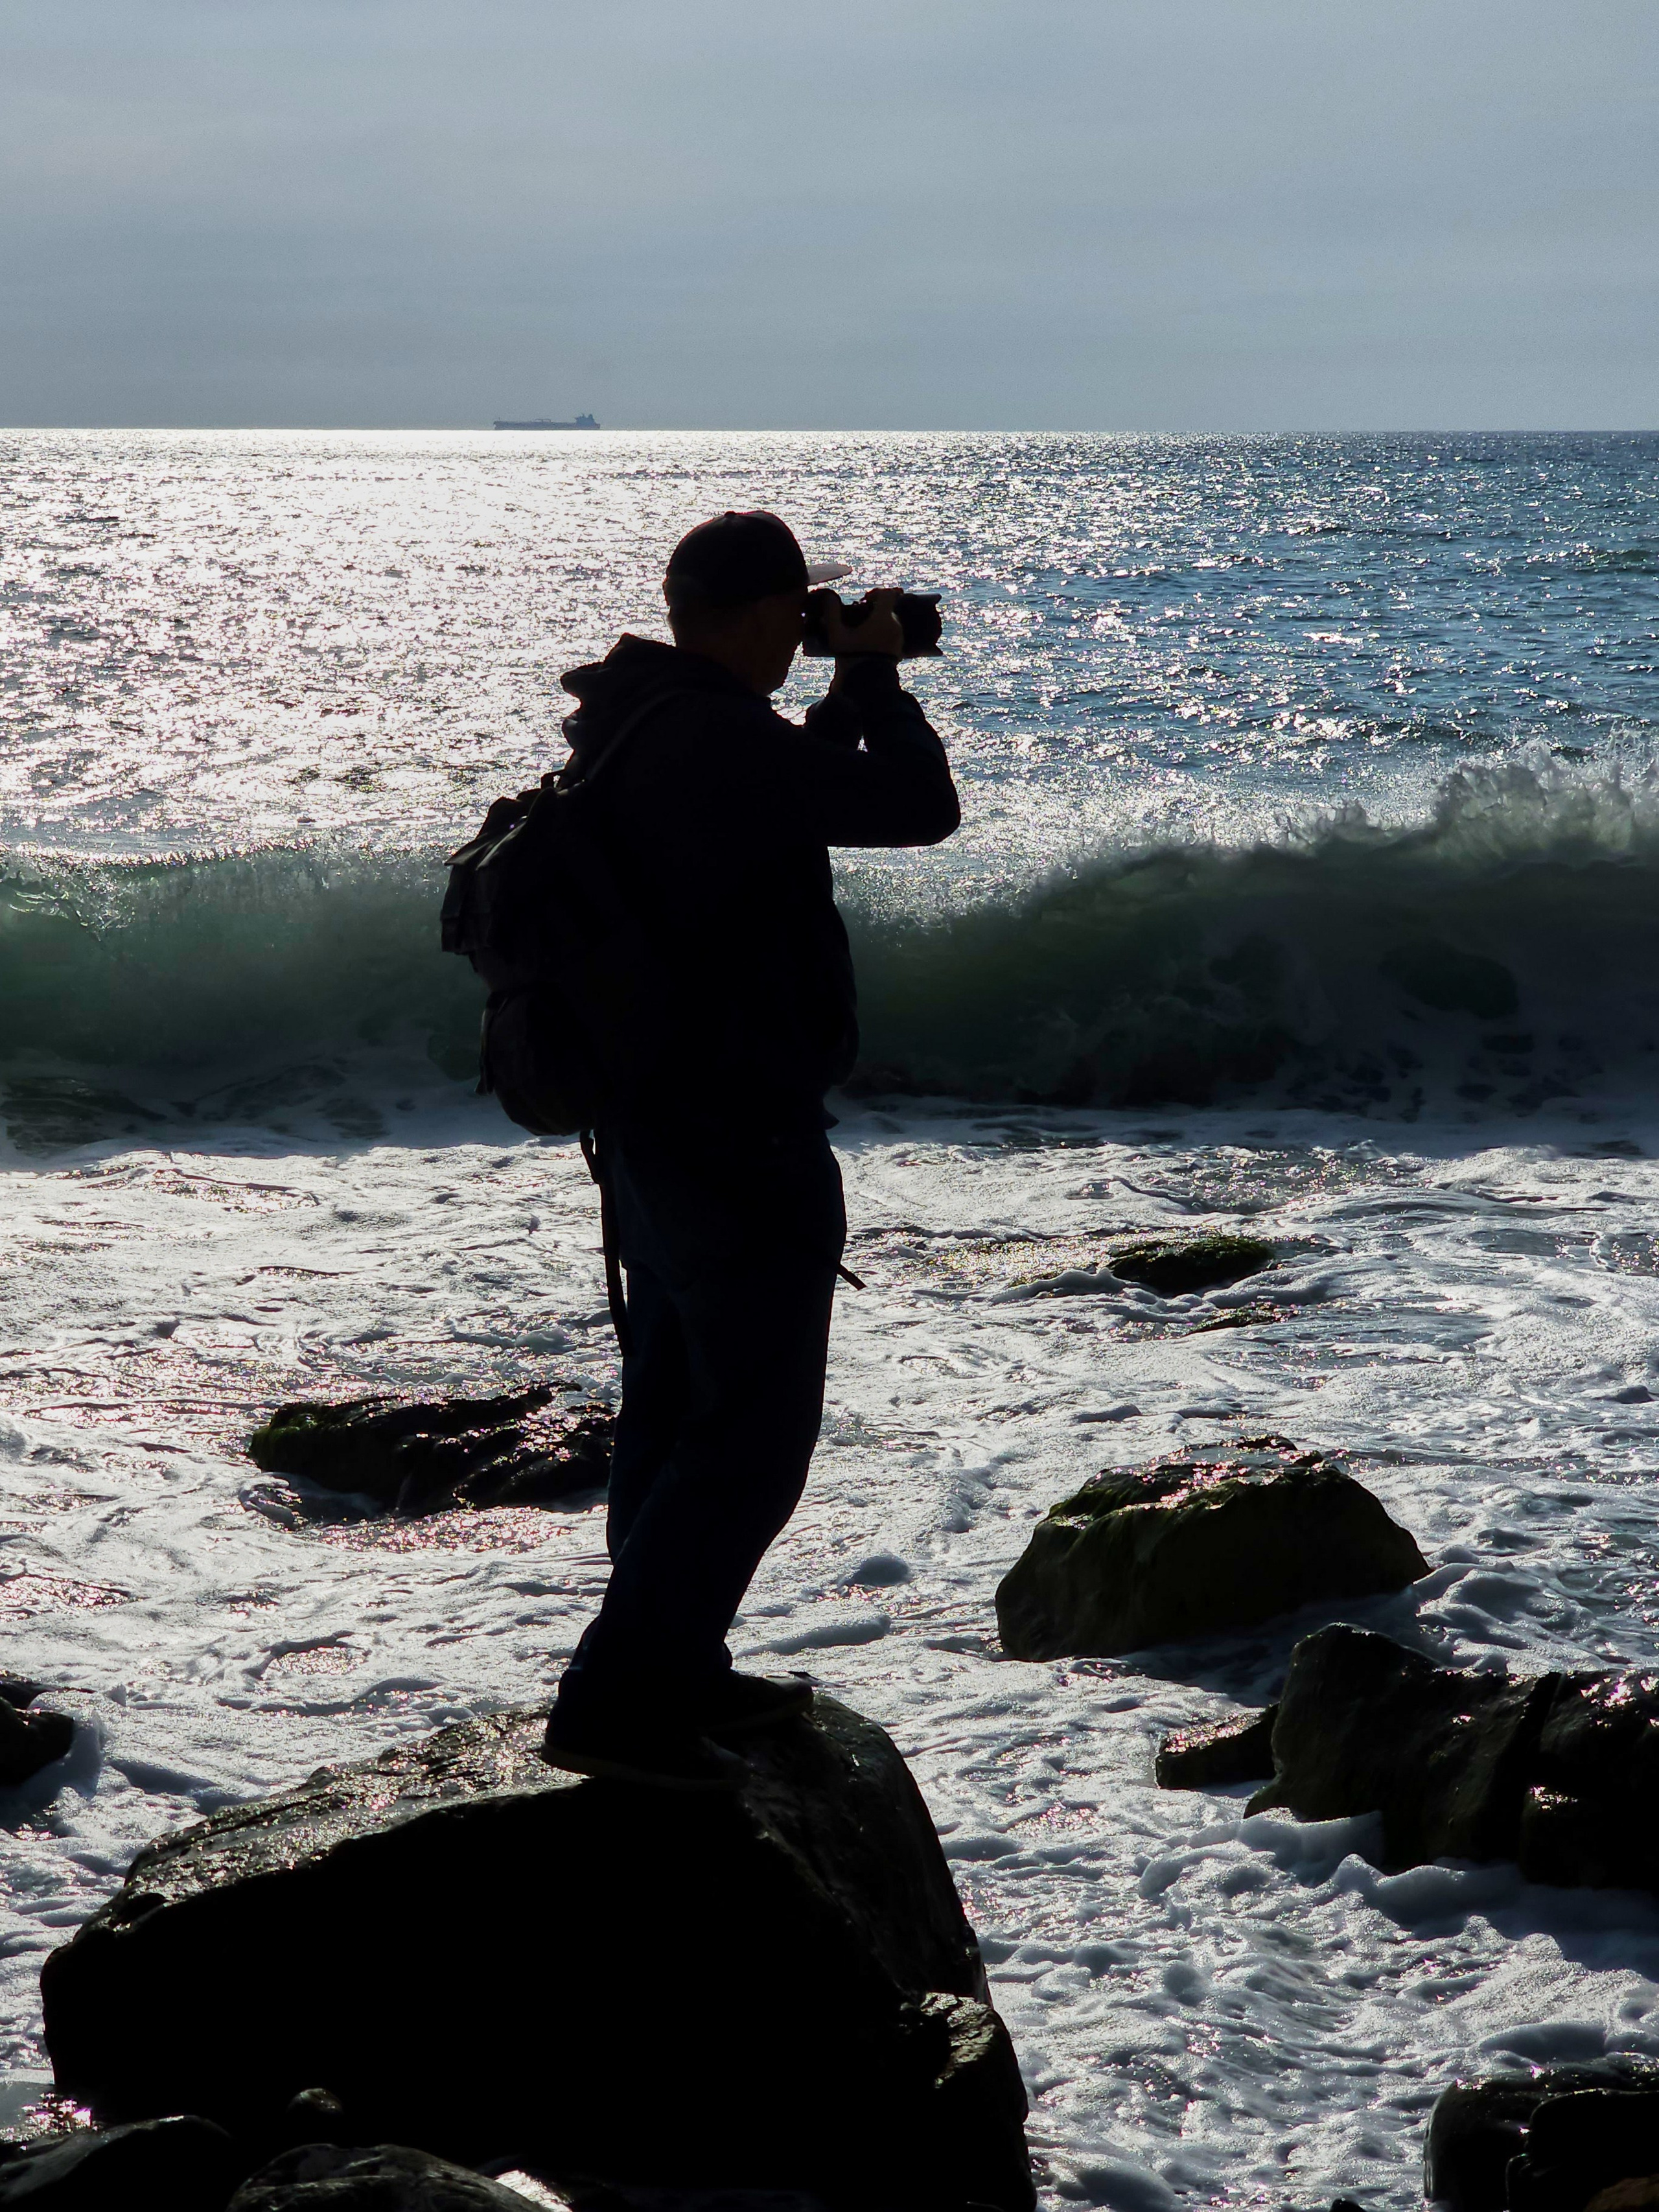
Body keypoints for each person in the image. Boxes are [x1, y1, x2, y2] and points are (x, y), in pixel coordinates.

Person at [540, 510, 960, 1789]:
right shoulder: (714, 737)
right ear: (760, 612)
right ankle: (617, 1697)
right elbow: (919, 807)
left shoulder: (645, 720)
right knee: (752, 1440)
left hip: (658, 1130)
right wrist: (875, 677)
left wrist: (840, 687)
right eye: (797, 610)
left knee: (677, 1414)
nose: (805, 630)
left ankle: (673, 1665)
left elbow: (784, 801)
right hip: (735, 1139)